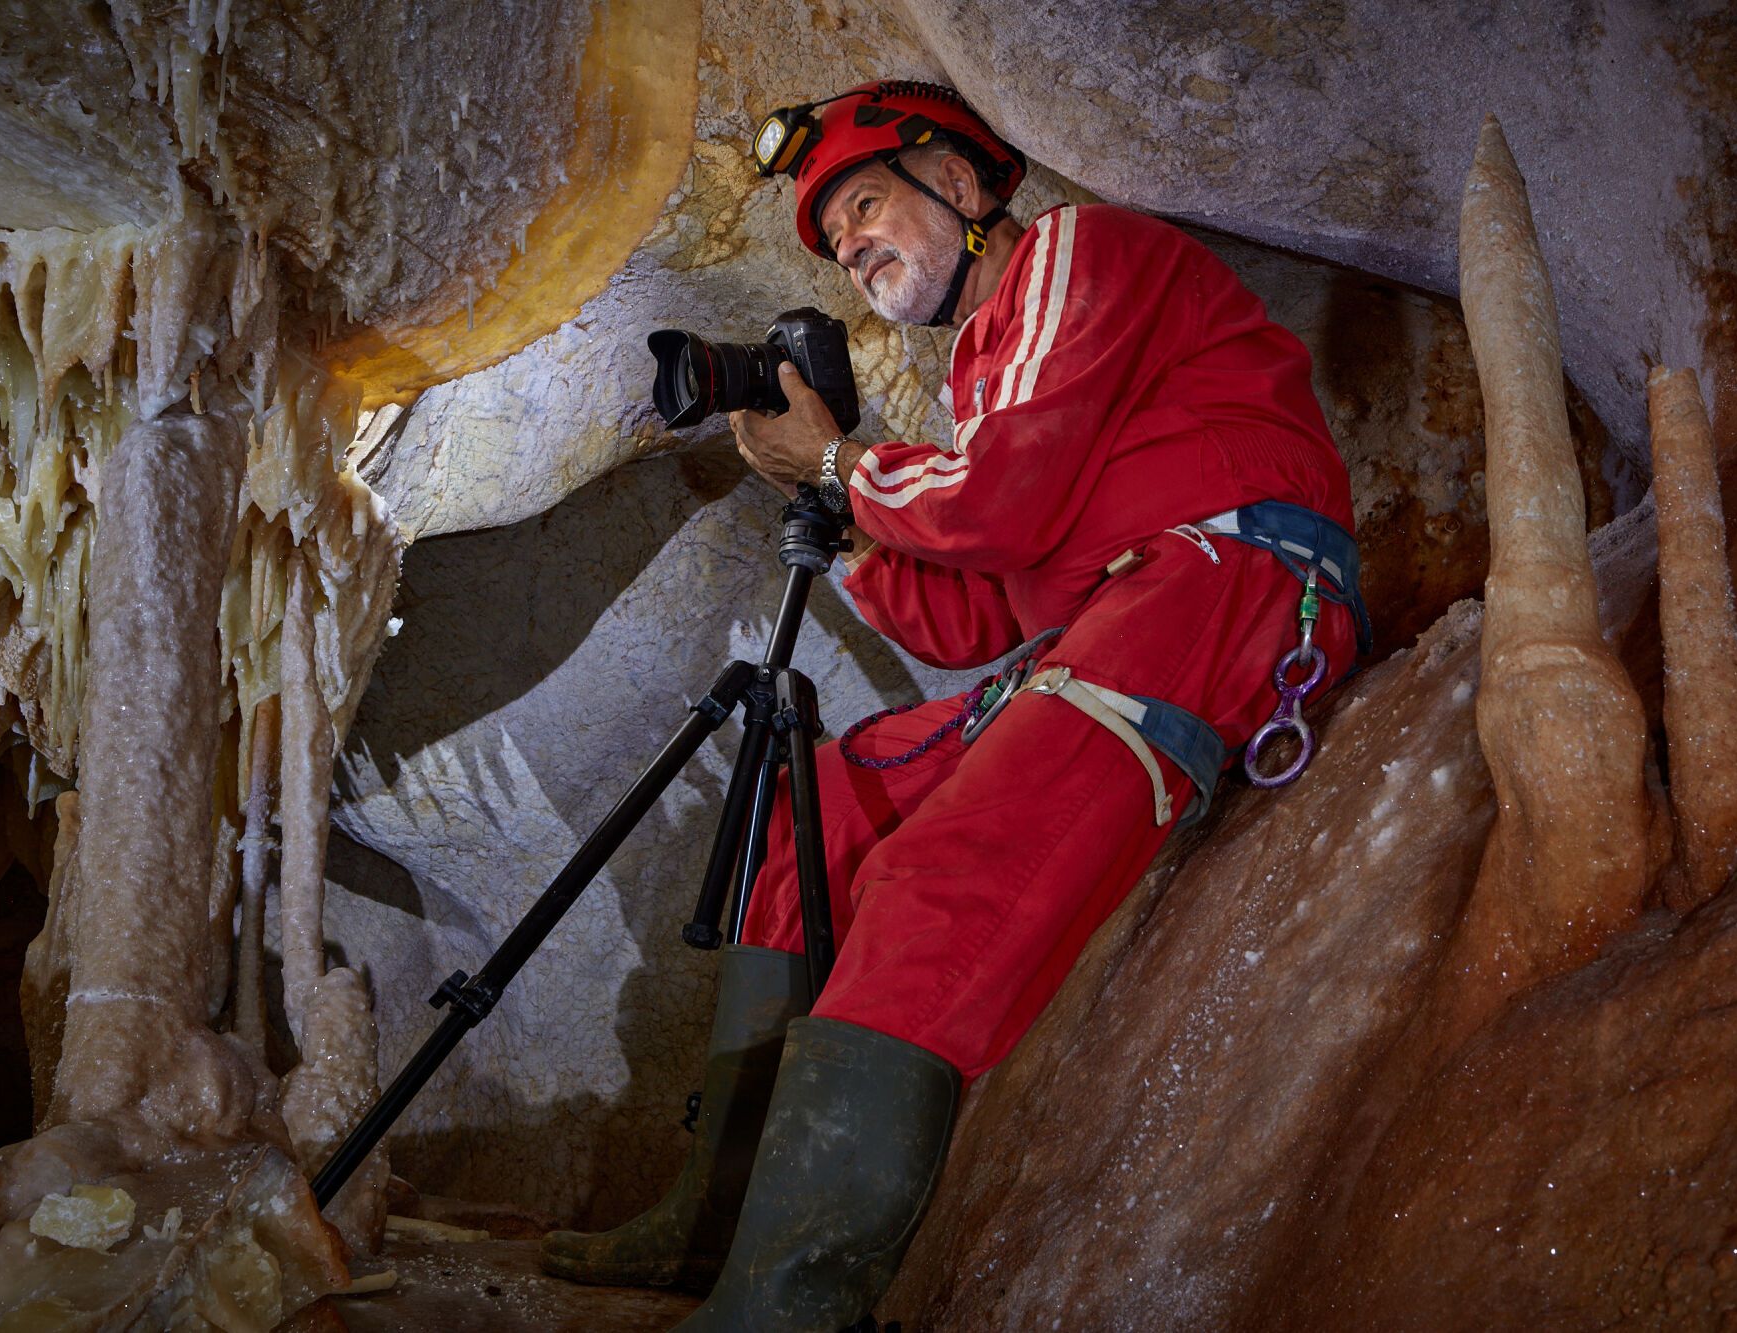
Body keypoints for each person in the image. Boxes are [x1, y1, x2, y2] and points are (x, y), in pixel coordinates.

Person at [543, 80, 1368, 1329]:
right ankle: (708, 1225)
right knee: (820, 795)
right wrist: (833, 513)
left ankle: (781, 1307)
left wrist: (837, 460)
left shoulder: (1079, 256)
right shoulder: (991, 365)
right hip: (1111, 609)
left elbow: (997, 501)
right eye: (832, 237)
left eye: (866, 203)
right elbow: (974, 613)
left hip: (1227, 575)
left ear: (966, 186)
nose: (851, 243)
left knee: (940, 879)